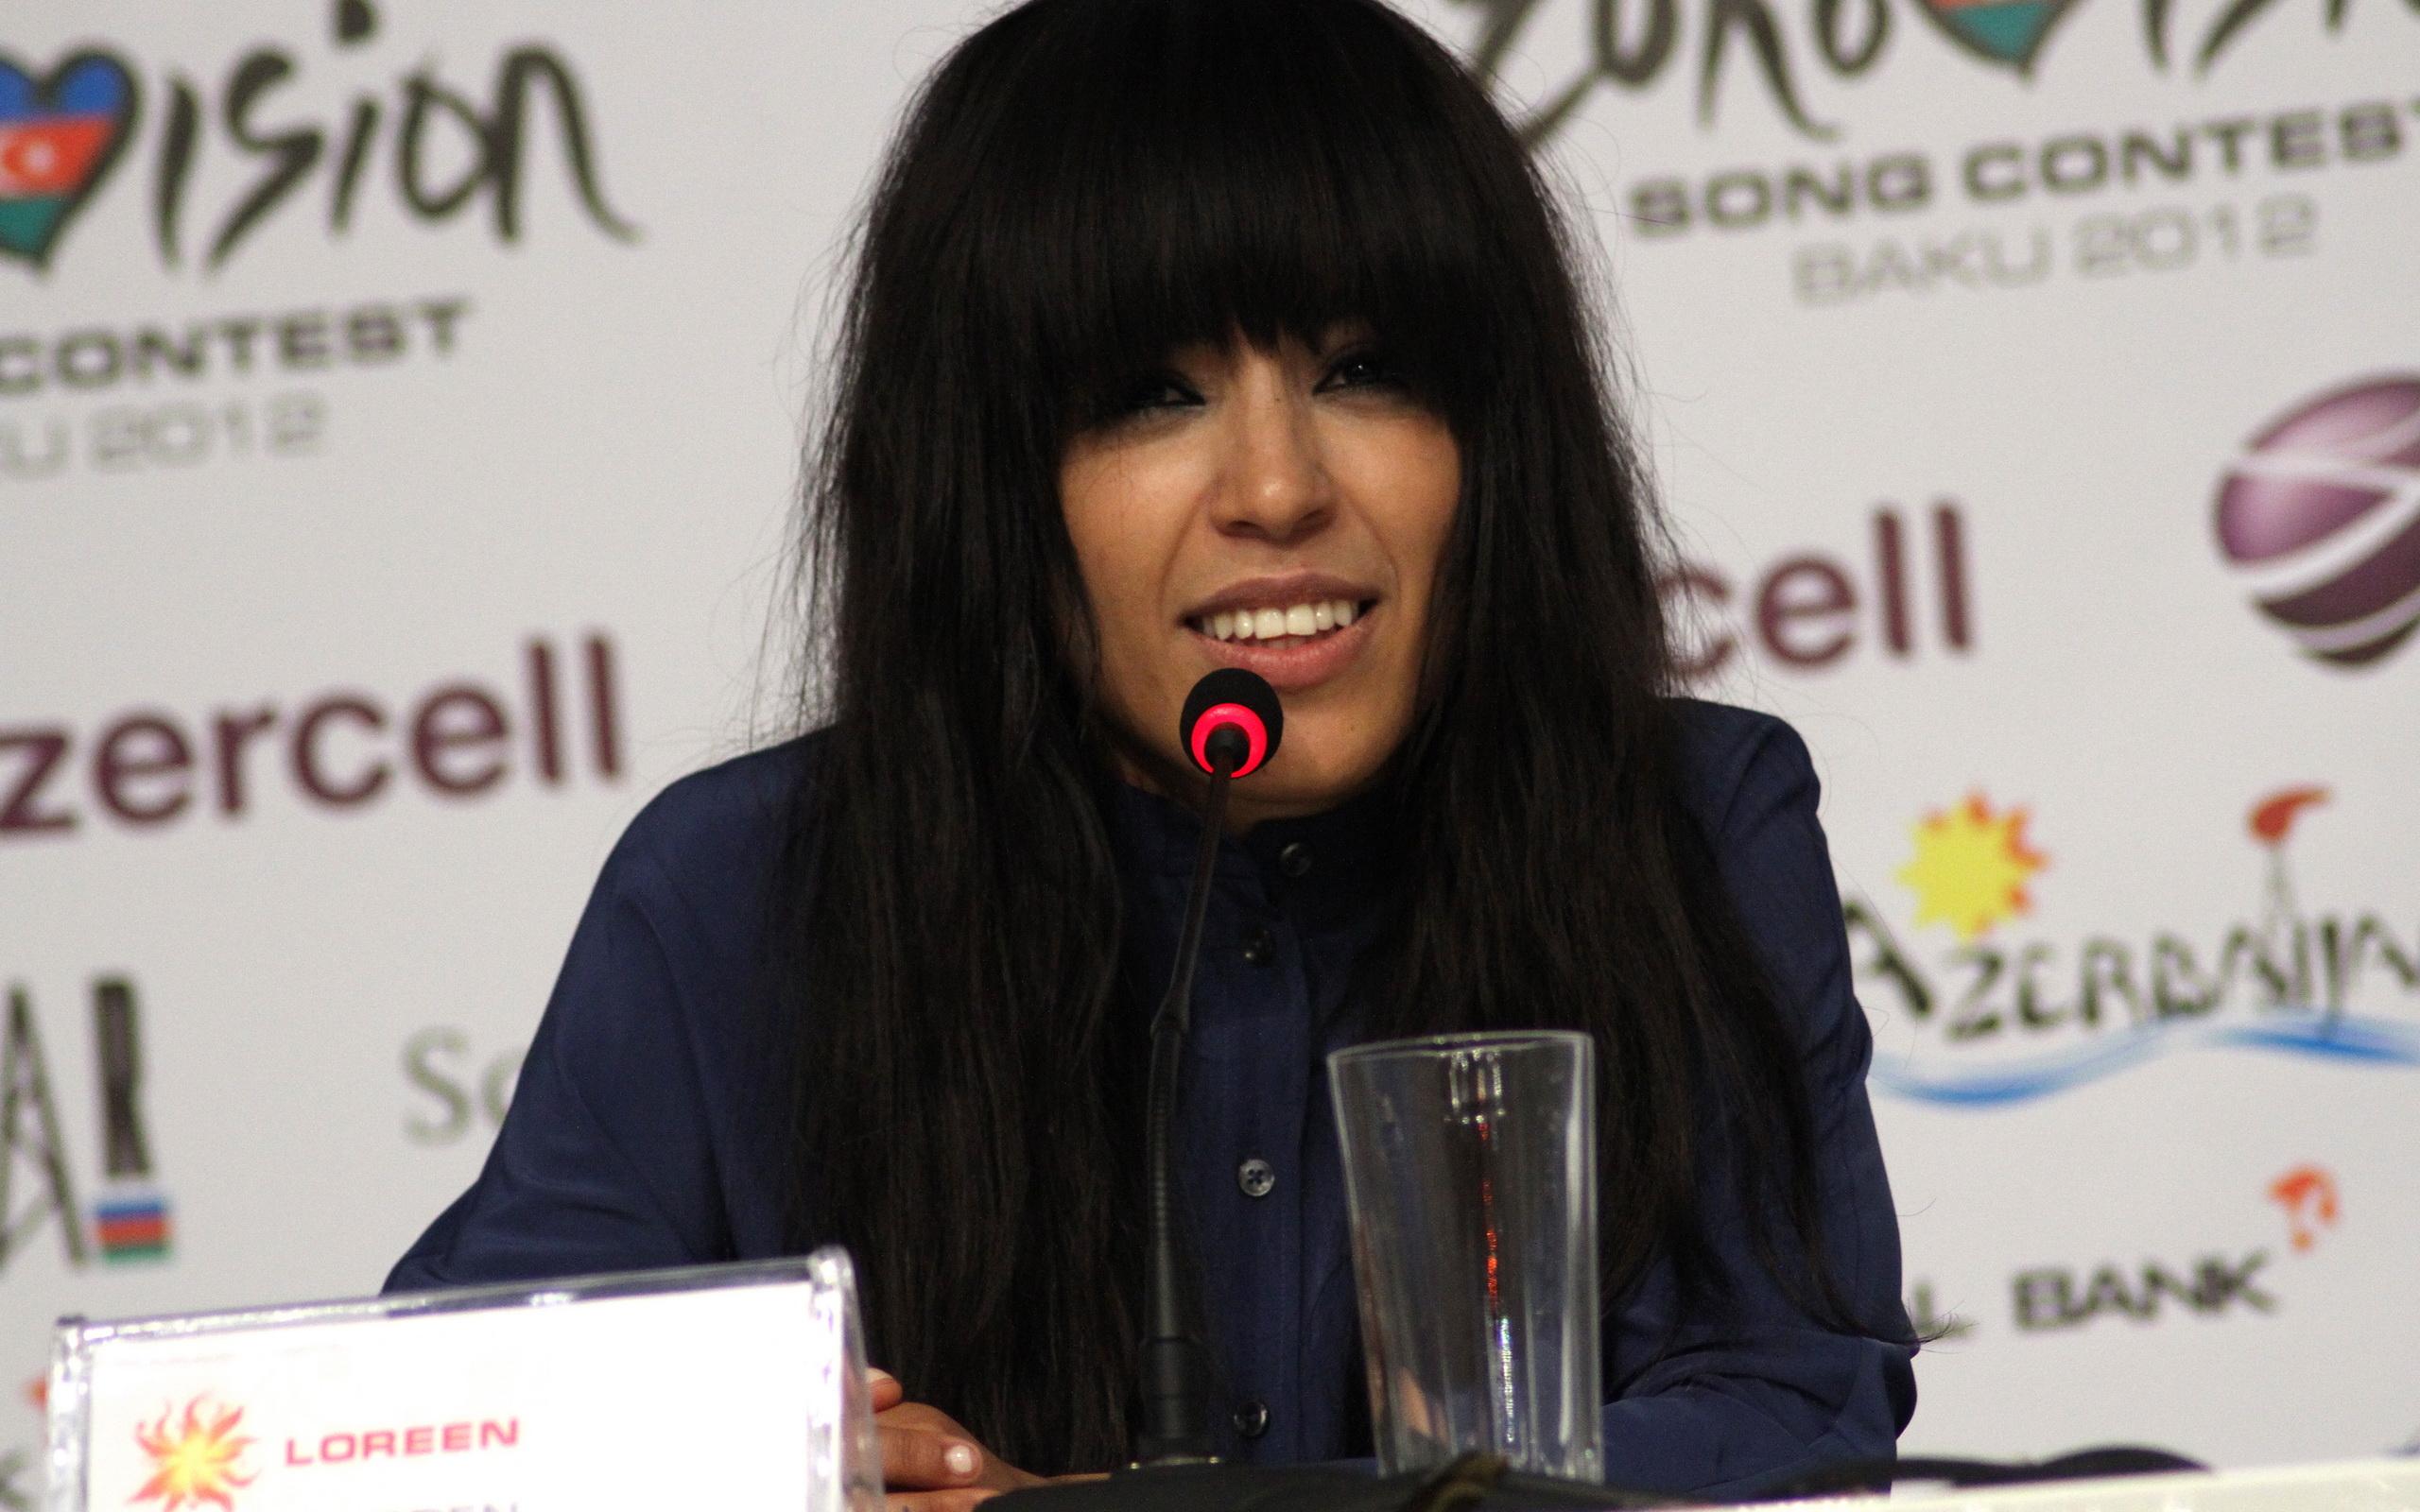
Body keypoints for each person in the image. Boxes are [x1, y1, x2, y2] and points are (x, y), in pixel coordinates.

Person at [387, 0, 1917, 1503]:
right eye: (1152, 397)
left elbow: (1794, 1404)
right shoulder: (740, 890)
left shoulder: (1690, 826)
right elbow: (457, 1439)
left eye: (1364, 371)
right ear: (990, 490)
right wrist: (734, 1460)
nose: (1277, 486)